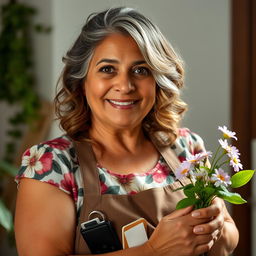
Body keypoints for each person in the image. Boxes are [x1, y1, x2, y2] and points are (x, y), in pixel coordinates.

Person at [14, 7, 239, 256]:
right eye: (107, 69)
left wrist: (217, 227)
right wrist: (154, 250)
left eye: (141, 70)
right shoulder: (51, 166)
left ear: (157, 79)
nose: (125, 85)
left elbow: (227, 242)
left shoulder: (187, 148)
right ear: (81, 80)